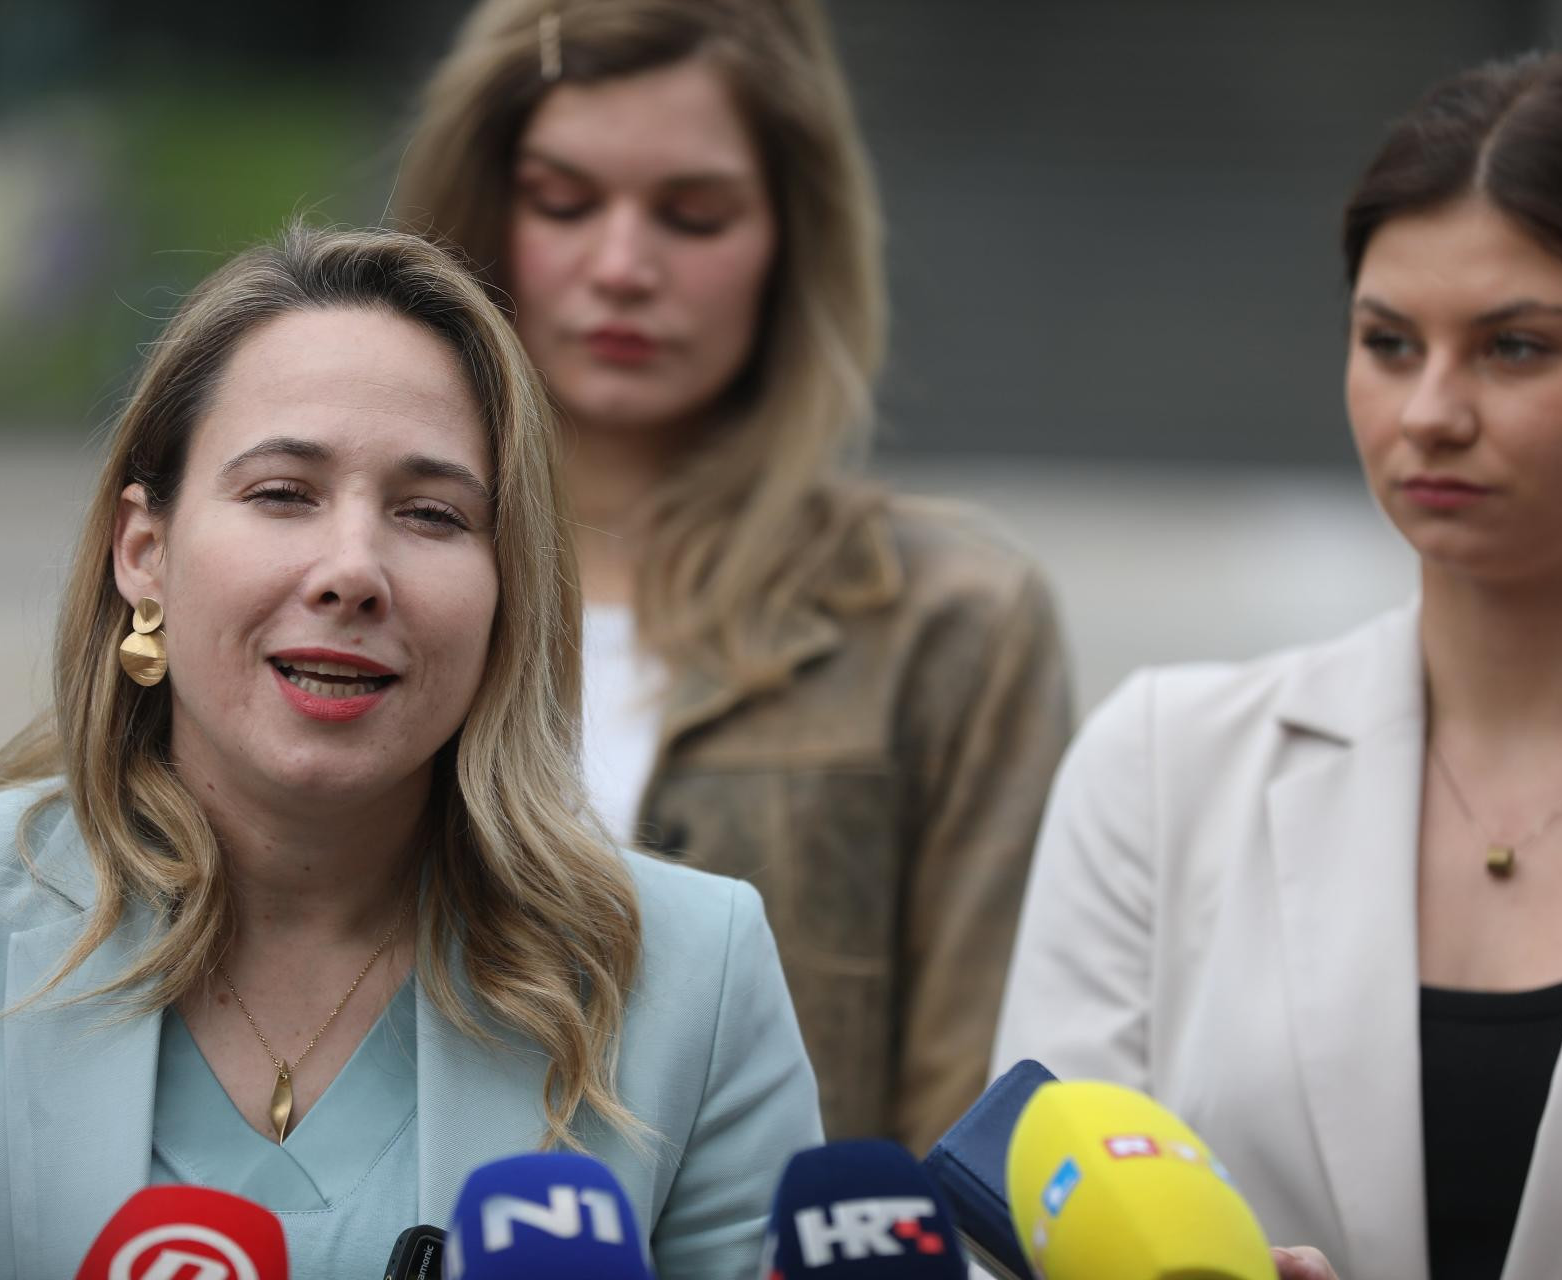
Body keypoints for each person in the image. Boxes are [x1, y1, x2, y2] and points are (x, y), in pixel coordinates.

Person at [0, 224, 821, 1279]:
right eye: (283, 493)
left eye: (431, 514)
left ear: (507, 592)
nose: (353, 571)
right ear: (144, 552)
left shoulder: (689, 978)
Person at [994, 53, 1562, 1280]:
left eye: (1515, 347)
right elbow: (1031, 1230)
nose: (1430, 411)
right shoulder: (1163, 768)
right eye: (1389, 342)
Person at [392, 0, 1074, 1153]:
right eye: (563, 202)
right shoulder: (349, 580)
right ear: (480, 216)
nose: (622, 267)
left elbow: (977, 1130)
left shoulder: (951, 622)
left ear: (791, 237)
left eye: (693, 215)